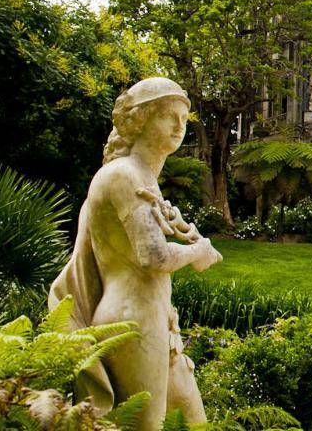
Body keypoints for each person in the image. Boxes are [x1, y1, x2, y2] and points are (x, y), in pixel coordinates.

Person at [49, 77, 223, 430]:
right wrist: (198, 251)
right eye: (168, 116)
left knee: (194, 420)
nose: (178, 127)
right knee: (146, 425)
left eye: (183, 119)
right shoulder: (124, 175)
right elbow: (153, 258)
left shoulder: (144, 178)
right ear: (141, 119)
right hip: (133, 320)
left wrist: (186, 234)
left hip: (157, 319)